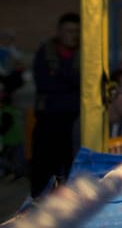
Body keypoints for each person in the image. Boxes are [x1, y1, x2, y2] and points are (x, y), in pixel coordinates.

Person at [29, 12, 80, 197]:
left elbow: (84, 83)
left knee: (72, 170)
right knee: (43, 169)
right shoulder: (45, 53)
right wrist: (71, 81)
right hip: (48, 120)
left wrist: (58, 75)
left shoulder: (84, 54)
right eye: (69, 31)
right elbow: (44, 84)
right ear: (59, 32)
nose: (73, 35)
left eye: (76, 31)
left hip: (74, 121)